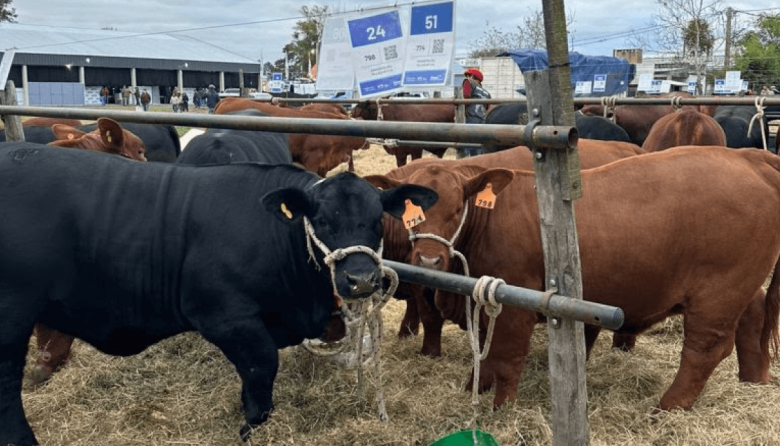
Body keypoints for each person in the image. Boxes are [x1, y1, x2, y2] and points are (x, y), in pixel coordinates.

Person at [459, 68, 491, 158]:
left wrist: (459, 114)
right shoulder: (487, 93)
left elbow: (466, 97)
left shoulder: (468, 82)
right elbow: (487, 107)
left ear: (472, 76)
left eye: (468, 75)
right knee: (478, 145)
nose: (466, 77)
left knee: (467, 144)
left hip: (470, 117)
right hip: (482, 120)